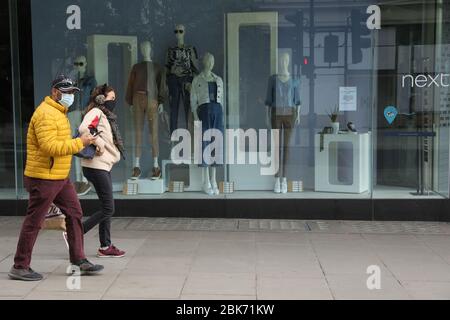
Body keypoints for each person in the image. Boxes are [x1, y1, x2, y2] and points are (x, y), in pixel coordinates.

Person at [9, 75, 104, 281]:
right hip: (44, 177)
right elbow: (49, 147)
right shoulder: (45, 114)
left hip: (59, 176)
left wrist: (84, 144)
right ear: (55, 92)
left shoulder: (59, 113)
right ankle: (20, 266)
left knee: (75, 213)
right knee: (34, 221)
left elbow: (61, 142)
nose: (70, 96)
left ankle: (78, 259)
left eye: (72, 92)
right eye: (67, 92)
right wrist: (80, 142)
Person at [77, 84, 126, 258]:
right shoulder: (96, 112)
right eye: (111, 99)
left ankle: (105, 247)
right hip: (96, 166)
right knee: (108, 208)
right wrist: (100, 144)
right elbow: (83, 129)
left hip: (103, 166)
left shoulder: (104, 115)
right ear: (101, 99)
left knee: (106, 207)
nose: (114, 102)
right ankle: (76, 234)